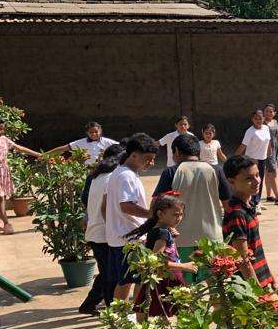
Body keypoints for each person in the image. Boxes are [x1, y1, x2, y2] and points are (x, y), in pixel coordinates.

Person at [105, 134, 159, 301]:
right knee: (127, 281)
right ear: (134, 155)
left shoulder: (123, 173)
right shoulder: (126, 176)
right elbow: (126, 206)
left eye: (153, 159)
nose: (151, 163)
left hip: (123, 237)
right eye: (148, 159)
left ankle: (127, 312)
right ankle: (122, 313)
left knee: (130, 280)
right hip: (128, 239)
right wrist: (151, 214)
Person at [125, 193, 198, 316]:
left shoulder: (160, 230)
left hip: (160, 278)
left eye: (181, 214)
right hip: (166, 278)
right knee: (180, 312)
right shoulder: (162, 233)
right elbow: (157, 261)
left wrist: (171, 238)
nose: (179, 218)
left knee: (150, 310)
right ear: (160, 214)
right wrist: (185, 266)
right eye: (175, 215)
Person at [77, 143, 126, 313]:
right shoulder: (113, 177)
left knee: (107, 272)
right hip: (104, 233)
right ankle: (109, 308)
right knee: (110, 274)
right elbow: (107, 209)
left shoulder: (97, 176)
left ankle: (91, 304)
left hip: (97, 232)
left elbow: (87, 201)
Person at [170, 133, 231, 265]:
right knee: (212, 276)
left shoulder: (171, 172)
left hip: (181, 239)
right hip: (212, 238)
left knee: (184, 277)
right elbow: (228, 206)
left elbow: (157, 206)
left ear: (176, 151)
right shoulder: (216, 170)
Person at [222, 155, 275, 288]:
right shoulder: (237, 214)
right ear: (231, 182)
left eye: (257, 175)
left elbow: (256, 248)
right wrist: (257, 291)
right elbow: (242, 259)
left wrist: (269, 275)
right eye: (249, 178)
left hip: (259, 277)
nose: (257, 181)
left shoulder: (248, 205)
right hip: (248, 285)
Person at [0, 119, 42, 236]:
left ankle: (3, 222)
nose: (1, 131)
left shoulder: (4, 140)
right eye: (0, 129)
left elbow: (20, 148)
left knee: (2, 197)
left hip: (3, 172)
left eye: (2, 129)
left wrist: (38, 155)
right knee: (0, 197)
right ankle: (6, 224)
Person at [236, 109, 275, 207]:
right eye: (256, 119)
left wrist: (270, 154)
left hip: (262, 159)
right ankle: (251, 203)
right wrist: (234, 158)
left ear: (263, 119)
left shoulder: (266, 128)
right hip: (252, 160)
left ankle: (257, 202)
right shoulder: (250, 131)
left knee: (259, 180)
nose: (258, 120)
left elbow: (268, 142)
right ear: (252, 120)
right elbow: (243, 146)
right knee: (251, 182)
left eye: (260, 118)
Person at [49, 122, 118, 164]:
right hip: (86, 171)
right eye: (91, 132)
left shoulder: (107, 142)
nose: (94, 134)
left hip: (103, 170)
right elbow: (65, 148)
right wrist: (47, 154)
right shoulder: (81, 142)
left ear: (100, 131)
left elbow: (121, 147)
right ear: (87, 133)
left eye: (96, 132)